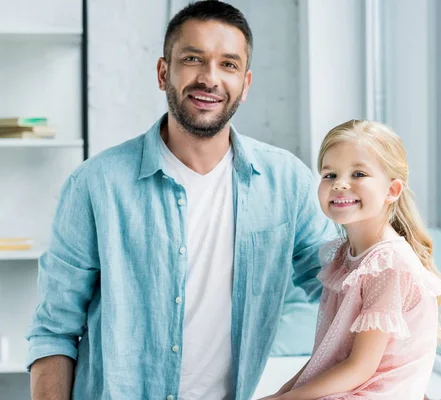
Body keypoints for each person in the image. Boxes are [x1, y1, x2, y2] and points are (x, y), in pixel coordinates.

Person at [25, 1, 335, 399]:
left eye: (228, 64)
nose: (210, 79)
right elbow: (55, 329)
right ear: (163, 72)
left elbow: (341, 285)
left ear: (246, 84)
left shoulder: (286, 182)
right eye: (193, 59)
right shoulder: (95, 185)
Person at [261, 120, 441, 400]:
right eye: (329, 175)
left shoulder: (388, 264)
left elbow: (360, 368)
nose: (340, 184)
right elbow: (327, 354)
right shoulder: (343, 256)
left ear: (392, 190)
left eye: (358, 174)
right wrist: (281, 393)